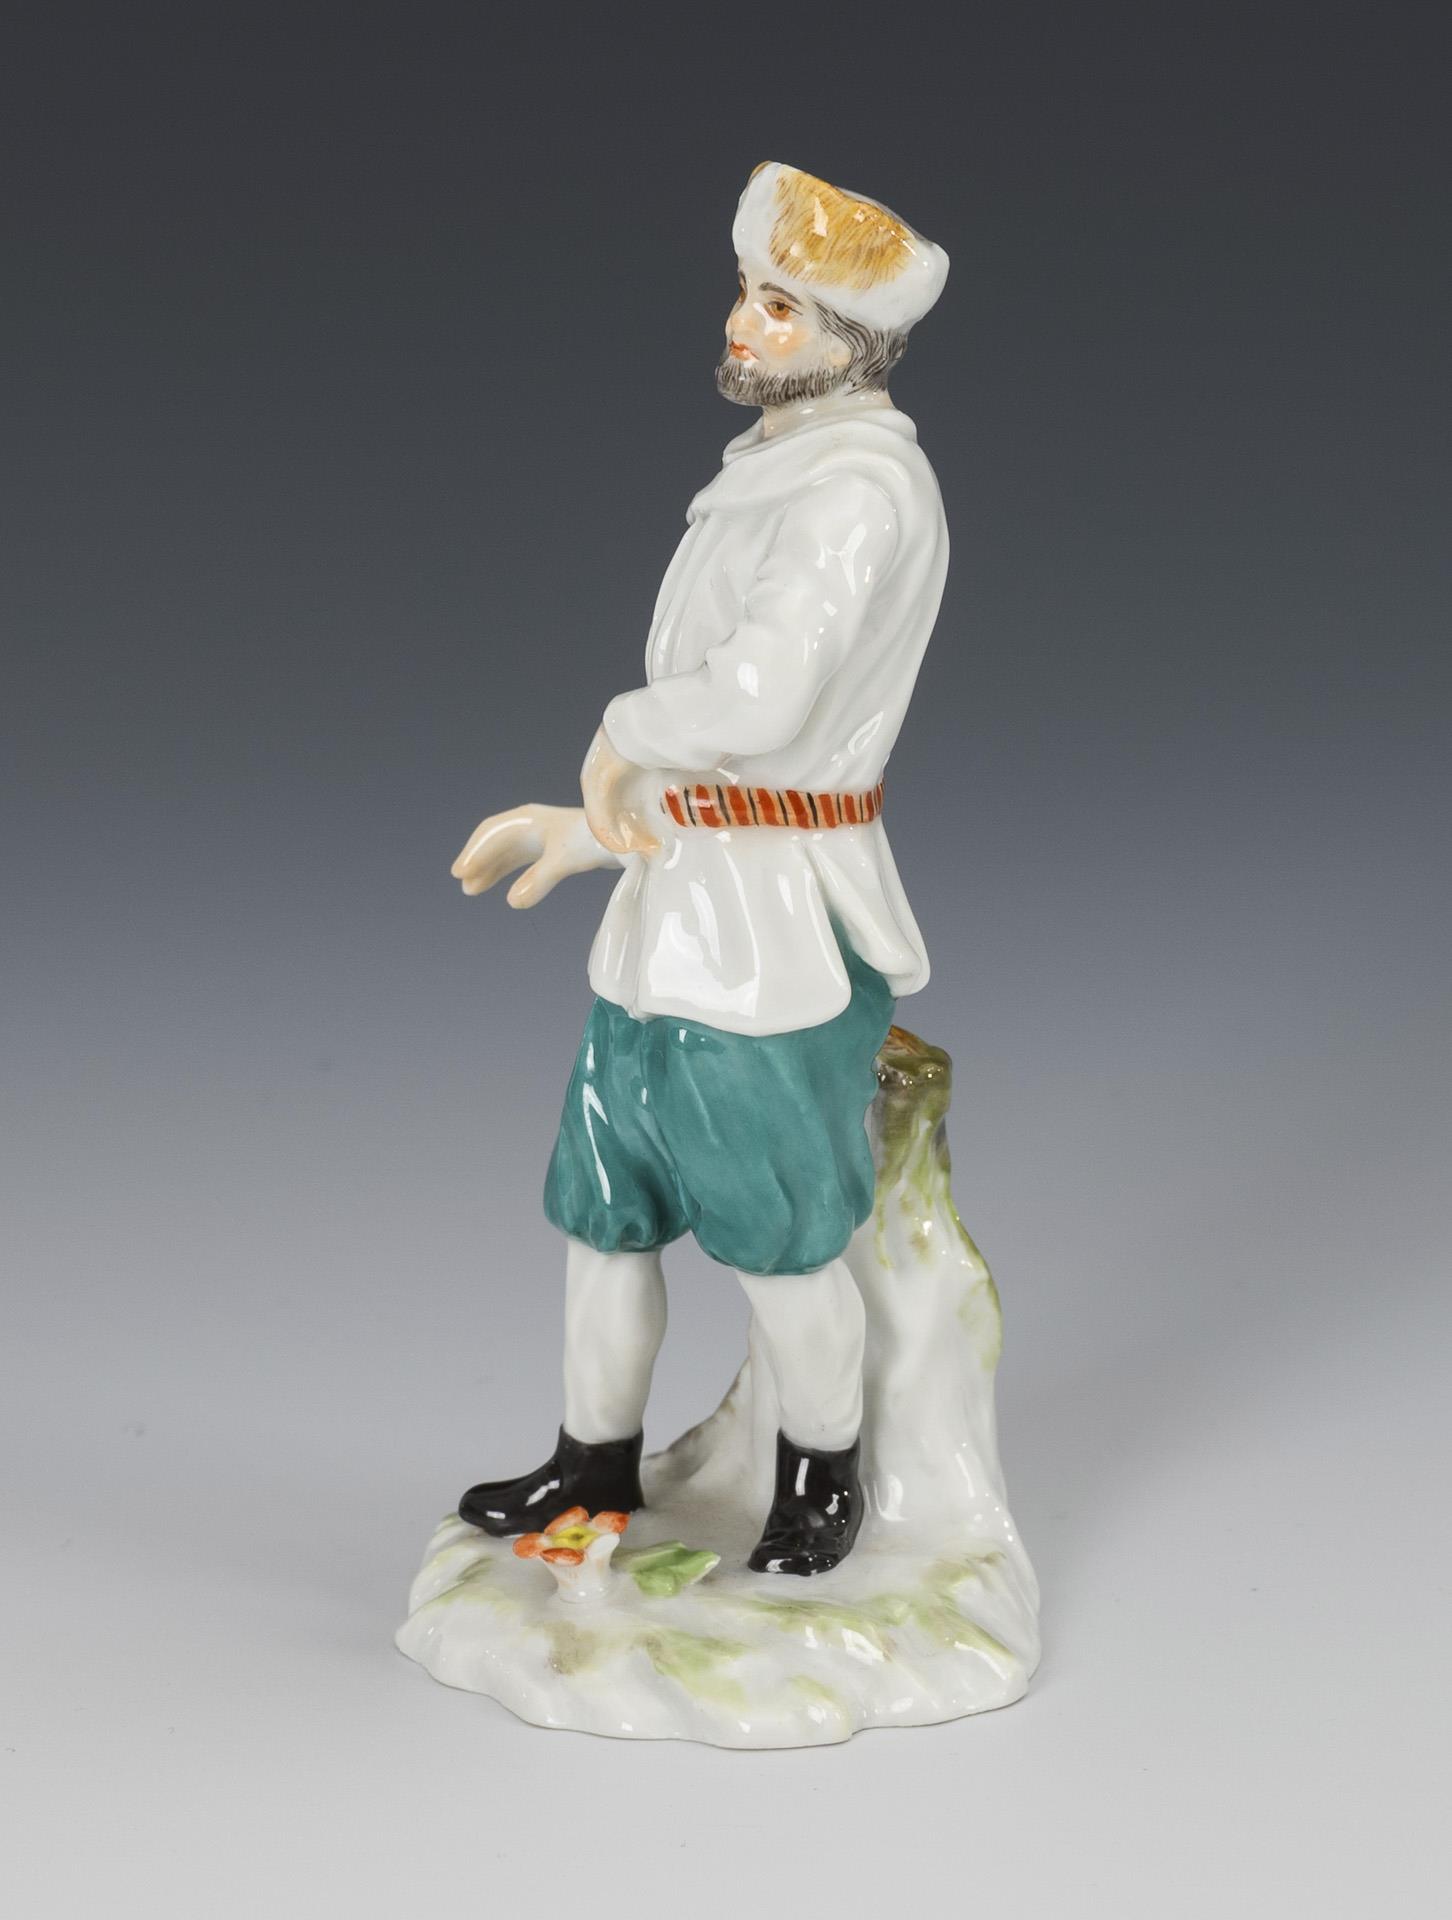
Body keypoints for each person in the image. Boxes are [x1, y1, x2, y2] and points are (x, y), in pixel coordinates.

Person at [450, 162, 950, 1574]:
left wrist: (619, 730)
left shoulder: (858, 493)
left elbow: (760, 702)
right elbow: (714, 765)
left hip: (774, 940)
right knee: (604, 1217)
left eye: (781, 307)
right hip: (671, 920)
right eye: (746, 292)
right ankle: (590, 1461)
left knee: (781, 1243)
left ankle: (821, 1474)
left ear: (855, 341)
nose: (742, 324)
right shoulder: (774, 472)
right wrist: (582, 827)